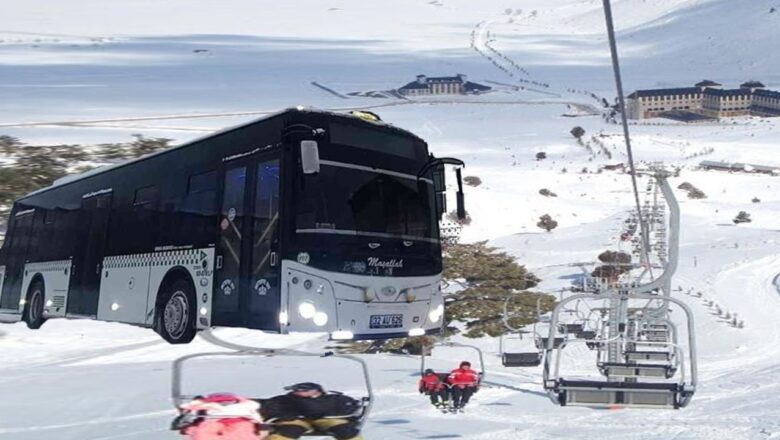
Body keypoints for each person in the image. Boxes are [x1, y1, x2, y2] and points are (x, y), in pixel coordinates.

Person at [262, 382, 363, 440]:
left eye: (304, 390)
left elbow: (350, 408)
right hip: (297, 420)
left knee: (345, 430)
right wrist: (284, 415)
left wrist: (335, 414)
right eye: (297, 390)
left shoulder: (333, 399)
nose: (299, 393)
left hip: (328, 419)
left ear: (317, 391)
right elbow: (271, 408)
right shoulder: (286, 399)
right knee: (288, 431)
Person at [175, 392, 267, 440]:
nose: (224, 403)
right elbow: (192, 410)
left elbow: (254, 412)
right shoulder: (205, 406)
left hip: (239, 420)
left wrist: (259, 423)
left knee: (242, 432)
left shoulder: (245, 405)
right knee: (203, 432)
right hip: (212, 420)